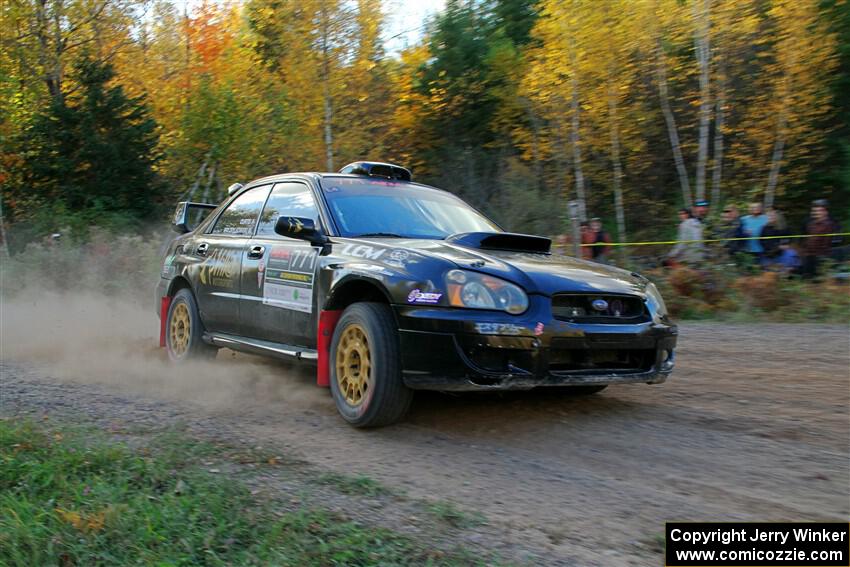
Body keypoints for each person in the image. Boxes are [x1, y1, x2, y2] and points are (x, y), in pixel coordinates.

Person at [802, 199, 841, 278]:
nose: (816, 212)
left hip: (822, 256)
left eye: (819, 210)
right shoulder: (811, 224)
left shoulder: (830, 224)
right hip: (810, 255)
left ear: (825, 212)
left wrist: (822, 256)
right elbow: (809, 240)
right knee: (805, 276)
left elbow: (831, 242)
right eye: (815, 210)